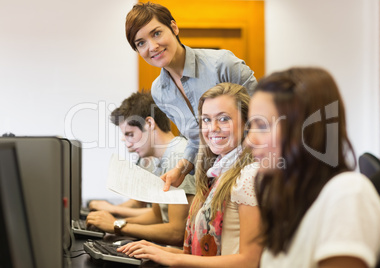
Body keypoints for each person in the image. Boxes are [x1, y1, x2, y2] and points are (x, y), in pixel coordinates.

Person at [246, 67, 380, 267]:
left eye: (261, 126)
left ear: (304, 128)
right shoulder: (293, 200)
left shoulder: (347, 194)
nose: (249, 141)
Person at [117, 83, 263, 267]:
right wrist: (158, 250)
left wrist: (172, 257)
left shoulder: (249, 175)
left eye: (224, 119)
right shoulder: (217, 171)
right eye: (206, 120)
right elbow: (202, 254)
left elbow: (249, 261)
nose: (213, 128)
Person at [125, 2, 258, 191]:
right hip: (212, 181)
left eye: (156, 33)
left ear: (174, 27)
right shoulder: (159, 91)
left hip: (249, 174)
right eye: (141, 43)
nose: (152, 46)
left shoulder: (222, 65)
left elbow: (264, 119)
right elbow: (195, 140)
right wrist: (181, 169)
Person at [86, 90, 196, 246]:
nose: (128, 143)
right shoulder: (161, 160)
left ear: (149, 124)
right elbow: (156, 216)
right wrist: (115, 222)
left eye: (130, 134)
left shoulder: (178, 157)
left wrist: (117, 226)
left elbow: (177, 233)